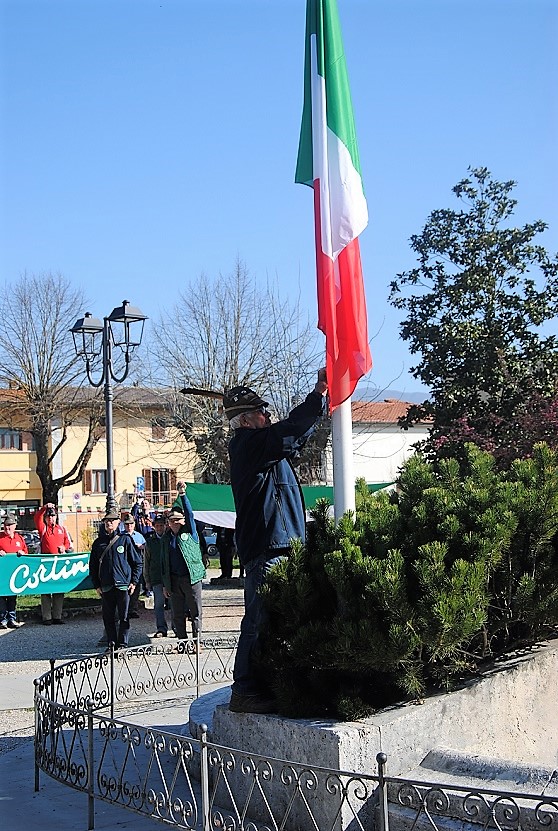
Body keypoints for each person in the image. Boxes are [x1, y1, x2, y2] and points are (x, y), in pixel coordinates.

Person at [225, 368, 328, 714]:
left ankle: (270, 685)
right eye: (261, 413)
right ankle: (245, 689)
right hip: (269, 547)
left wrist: (320, 402)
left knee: (276, 621)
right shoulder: (250, 446)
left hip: (282, 544)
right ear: (246, 422)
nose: (268, 416)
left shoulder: (263, 447)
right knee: (259, 620)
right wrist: (317, 394)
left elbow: (295, 435)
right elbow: (289, 431)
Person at [89, 510, 143, 650]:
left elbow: (137, 562)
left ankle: (123, 644)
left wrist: (134, 582)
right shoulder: (98, 543)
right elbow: (93, 566)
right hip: (106, 585)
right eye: (106, 521)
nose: (109, 523)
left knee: (124, 616)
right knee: (108, 617)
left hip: (123, 585)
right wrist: (96, 585)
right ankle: (112, 643)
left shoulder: (125, 540)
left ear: (118, 522)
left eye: (112, 520)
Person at [160, 506, 206, 640]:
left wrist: (183, 495)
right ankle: (182, 642)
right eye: (172, 520)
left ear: (184, 521)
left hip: (191, 579)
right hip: (174, 580)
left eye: (178, 519)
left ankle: (197, 642)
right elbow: (164, 563)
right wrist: (165, 585)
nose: (175, 522)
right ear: (168, 522)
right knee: (177, 614)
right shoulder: (166, 539)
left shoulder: (191, 533)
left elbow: (190, 514)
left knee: (195, 612)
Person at [34, 503, 73, 625]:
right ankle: (47, 617)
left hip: (59, 563)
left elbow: (68, 543)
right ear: (46, 518)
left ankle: (57, 616)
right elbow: (36, 517)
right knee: (46, 591)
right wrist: (44, 507)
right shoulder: (43, 528)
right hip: (46, 563)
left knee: (58, 590)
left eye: (52, 516)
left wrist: (64, 547)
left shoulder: (62, 529)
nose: (50, 518)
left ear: (56, 517)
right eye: (48, 516)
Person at [144, 513, 169, 637]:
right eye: (157, 525)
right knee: (158, 604)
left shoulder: (170, 538)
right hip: (156, 577)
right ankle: (161, 628)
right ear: (154, 527)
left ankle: (176, 628)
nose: (159, 528)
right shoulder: (150, 542)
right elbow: (146, 562)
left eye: (161, 525)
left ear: (165, 526)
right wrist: (147, 580)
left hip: (171, 577)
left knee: (174, 605)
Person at [0, 514, 27, 628]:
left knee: (12, 597)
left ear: (14, 526)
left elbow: (26, 552)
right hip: (2, 574)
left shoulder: (19, 538)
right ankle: (2, 619)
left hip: (14, 574)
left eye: (10, 525)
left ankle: (12, 618)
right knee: (1, 597)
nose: (7, 528)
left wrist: (22, 553)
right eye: (6, 525)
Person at [121, 513, 146, 618]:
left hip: (136, 564)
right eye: (127, 524)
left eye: (131, 524)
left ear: (134, 524)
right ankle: (125, 609)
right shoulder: (121, 536)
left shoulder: (138, 536)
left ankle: (133, 609)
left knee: (136, 587)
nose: (129, 526)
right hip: (125, 565)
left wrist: (141, 546)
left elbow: (146, 546)